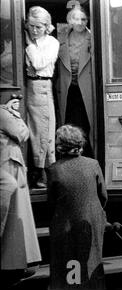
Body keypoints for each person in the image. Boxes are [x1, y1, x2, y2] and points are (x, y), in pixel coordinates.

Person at [48, 125, 107, 289]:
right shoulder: (93, 164)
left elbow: (51, 202)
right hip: (92, 222)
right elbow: (103, 196)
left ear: (60, 146)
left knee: (69, 268)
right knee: (91, 263)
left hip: (66, 226)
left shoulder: (54, 170)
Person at [0, 97, 41, 286]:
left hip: (9, 165)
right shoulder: (3, 114)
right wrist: (15, 114)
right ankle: (12, 265)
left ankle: (14, 263)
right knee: (14, 221)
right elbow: (23, 134)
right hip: (9, 168)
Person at [24, 6, 59, 188]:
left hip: (41, 86)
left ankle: (43, 174)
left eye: (38, 27)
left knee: (42, 130)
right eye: (31, 26)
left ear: (47, 26)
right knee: (31, 130)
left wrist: (29, 45)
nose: (34, 30)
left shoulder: (52, 42)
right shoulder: (31, 41)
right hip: (29, 86)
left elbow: (37, 64)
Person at [58, 6, 94, 158]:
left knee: (85, 125)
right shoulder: (62, 38)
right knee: (68, 123)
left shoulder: (93, 37)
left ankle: (86, 159)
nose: (80, 22)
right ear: (70, 20)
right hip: (68, 89)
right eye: (76, 19)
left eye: (84, 19)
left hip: (86, 89)